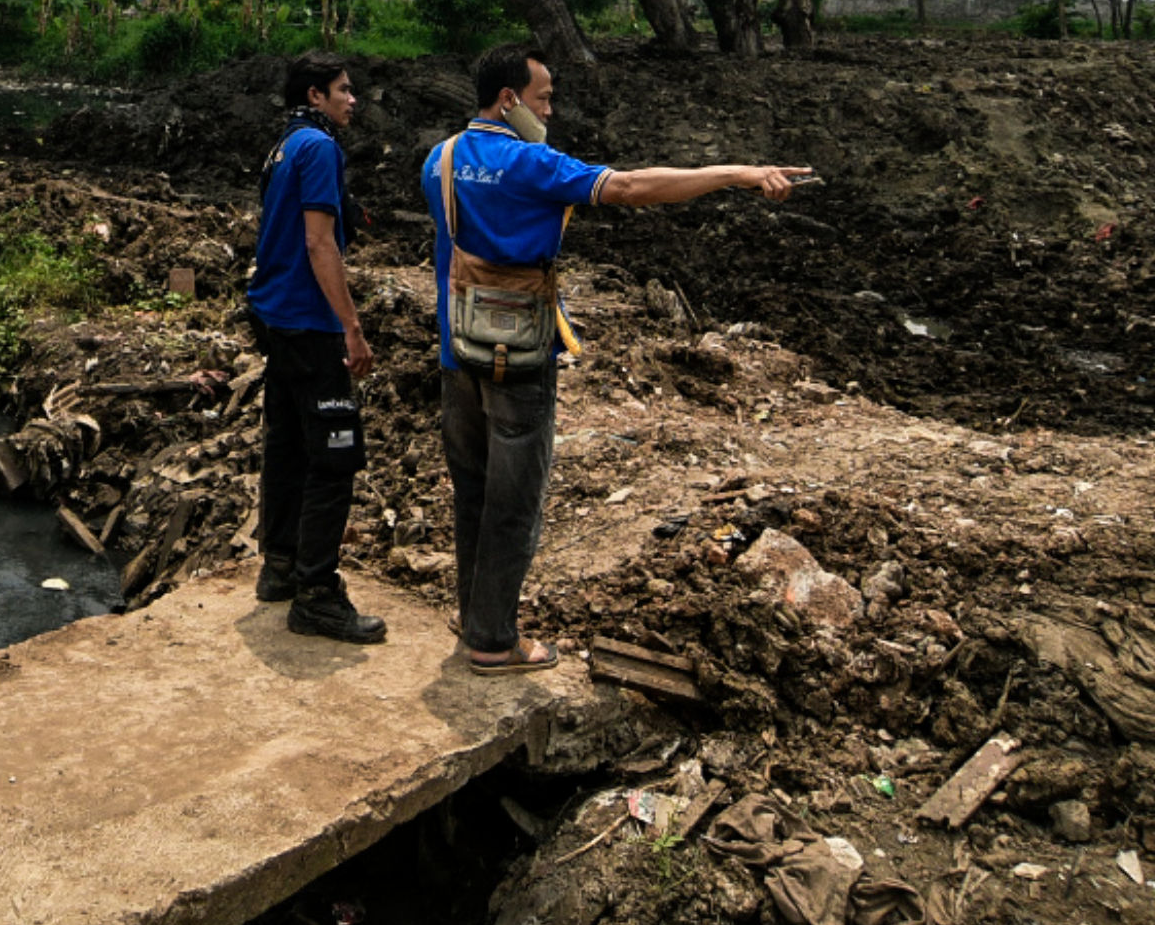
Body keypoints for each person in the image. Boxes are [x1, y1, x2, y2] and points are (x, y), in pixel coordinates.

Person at [426, 42, 809, 673]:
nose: (550, 111)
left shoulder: (439, 160)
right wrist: (736, 173)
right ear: (509, 99)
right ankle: (493, 641)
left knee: (472, 492)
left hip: (455, 350)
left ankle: (475, 615)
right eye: (544, 98)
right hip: (518, 356)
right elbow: (629, 187)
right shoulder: (532, 163)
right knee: (514, 502)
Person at [245, 50, 385, 644]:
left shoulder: (283, 146)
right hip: (310, 323)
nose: (353, 100)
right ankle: (318, 595)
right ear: (315, 96)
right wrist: (351, 326)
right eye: (343, 90)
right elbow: (319, 243)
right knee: (334, 455)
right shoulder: (320, 148)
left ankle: (279, 566)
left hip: (275, 318)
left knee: (287, 446)